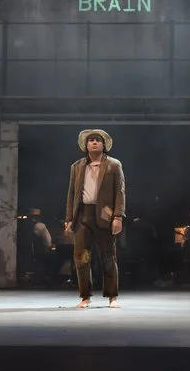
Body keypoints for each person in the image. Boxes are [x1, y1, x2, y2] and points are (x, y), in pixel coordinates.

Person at [65, 128, 126, 308]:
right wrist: (69, 219)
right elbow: (71, 194)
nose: (94, 142)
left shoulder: (113, 165)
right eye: (90, 140)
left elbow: (120, 192)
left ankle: (112, 296)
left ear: (103, 144)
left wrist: (118, 216)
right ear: (85, 145)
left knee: (108, 256)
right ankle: (85, 296)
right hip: (83, 215)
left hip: (104, 215)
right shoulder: (77, 166)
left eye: (98, 140)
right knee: (81, 257)